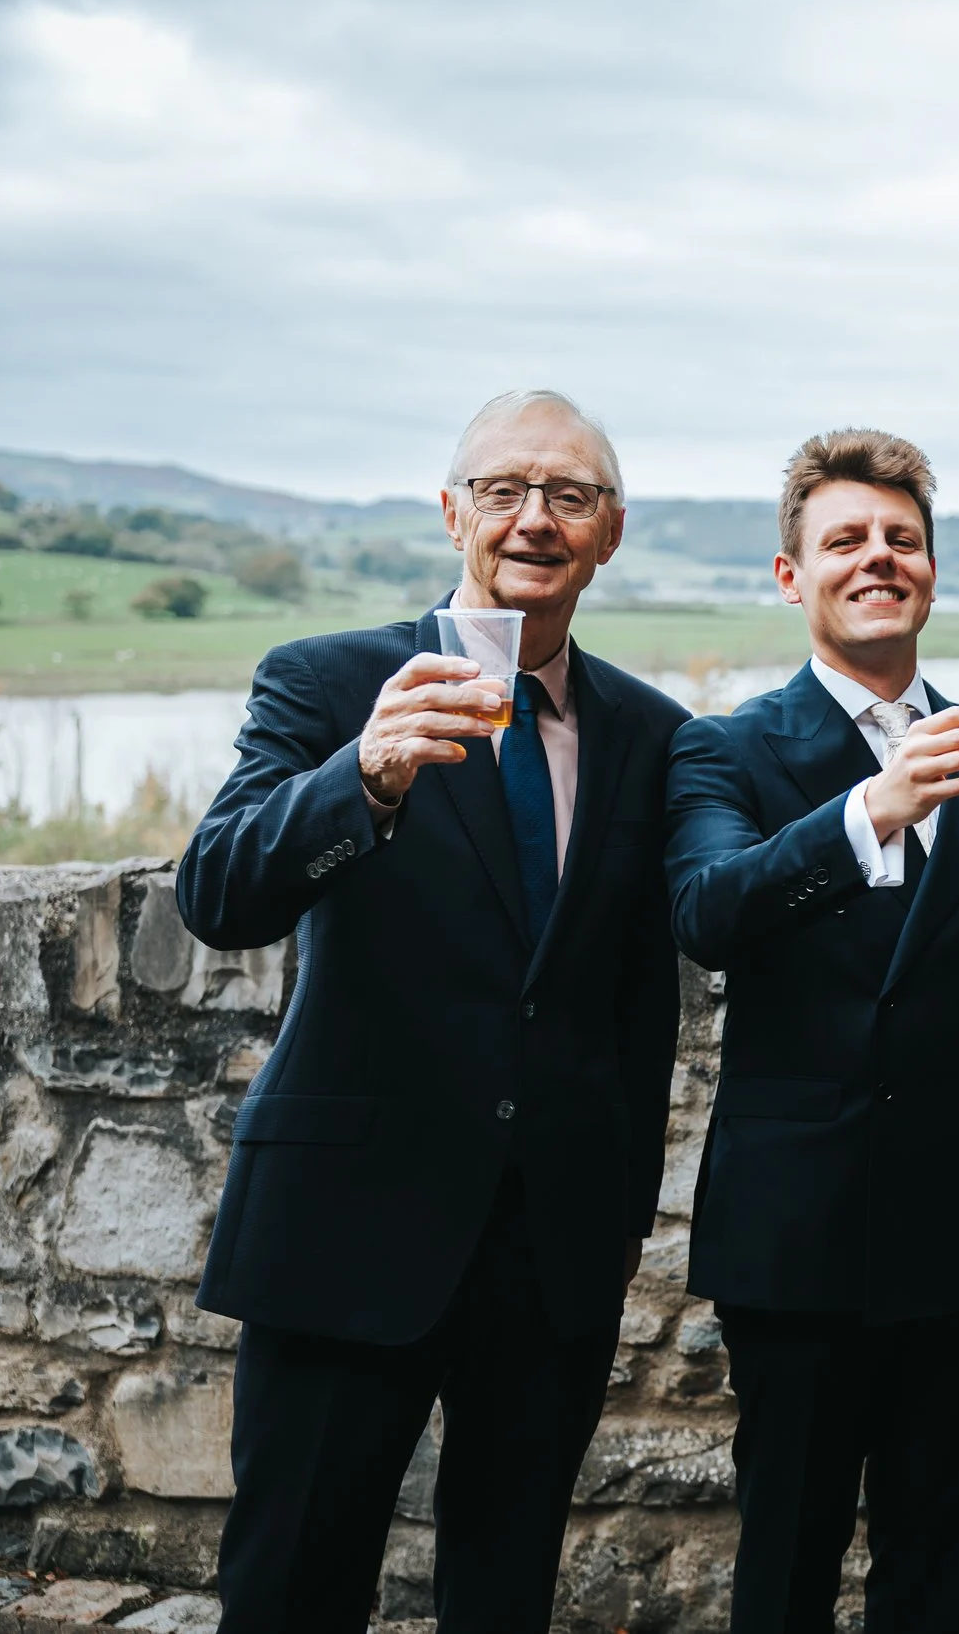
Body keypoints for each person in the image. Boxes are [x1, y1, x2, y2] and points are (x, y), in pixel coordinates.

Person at [179, 390, 689, 1630]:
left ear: (610, 532)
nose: (535, 519)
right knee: (294, 1577)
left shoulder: (652, 733)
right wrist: (363, 773)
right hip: (344, 1218)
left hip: (552, 1244)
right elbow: (218, 890)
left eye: (569, 496)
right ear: (452, 511)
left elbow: (638, 999)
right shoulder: (330, 680)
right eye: (506, 489)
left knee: (506, 1584)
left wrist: (621, 1217)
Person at [663, 429, 959, 1634]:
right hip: (792, 1229)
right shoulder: (724, 748)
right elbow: (708, 912)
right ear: (790, 574)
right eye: (845, 539)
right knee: (787, 1549)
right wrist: (878, 802)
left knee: (937, 1550)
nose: (877, 557)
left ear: (930, 569)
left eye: (900, 539)